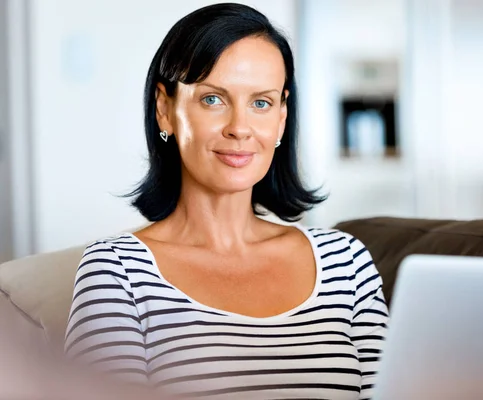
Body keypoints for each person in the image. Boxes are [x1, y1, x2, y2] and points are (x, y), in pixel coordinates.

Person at [64, 3, 389, 399]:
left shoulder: (346, 261)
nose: (239, 128)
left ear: (282, 117)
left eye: (261, 103)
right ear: (164, 109)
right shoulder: (117, 271)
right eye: (213, 99)